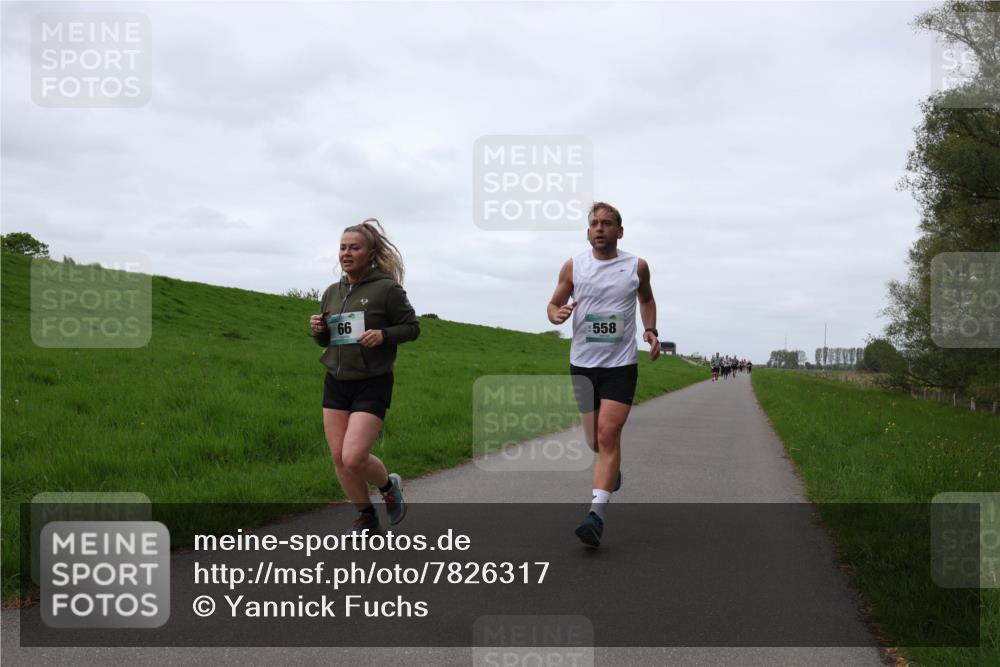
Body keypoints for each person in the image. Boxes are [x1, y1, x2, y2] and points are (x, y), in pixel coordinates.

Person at [547, 201, 660, 548]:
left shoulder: (636, 266)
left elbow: (646, 299)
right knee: (594, 441)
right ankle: (611, 475)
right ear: (588, 231)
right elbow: (553, 304)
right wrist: (557, 315)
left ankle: (596, 513)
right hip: (582, 363)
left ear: (619, 231)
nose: (600, 228)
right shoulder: (573, 266)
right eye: (594, 223)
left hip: (620, 364)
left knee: (608, 436)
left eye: (607, 223)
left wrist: (651, 329)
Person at [309, 219, 420, 534]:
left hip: (372, 381)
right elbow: (326, 340)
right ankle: (365, 516)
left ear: (371, 253)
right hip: (336, 381)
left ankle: (388, 486)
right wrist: (318, 331)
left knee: (353, 455)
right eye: (342, 247)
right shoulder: (332, 292)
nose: (346, 253)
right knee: (339, 458)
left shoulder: (387, 289)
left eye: (354, 247)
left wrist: (383, 335)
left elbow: (413, 328)